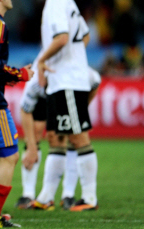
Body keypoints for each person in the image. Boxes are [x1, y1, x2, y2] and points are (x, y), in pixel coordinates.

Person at [29, 0, 98, 212]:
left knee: (78, 137)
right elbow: (85, 35)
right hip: (62, 80)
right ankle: (46, 196)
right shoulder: (63, 1)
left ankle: (90, 198)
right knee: (55, 137)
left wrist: (43, 61)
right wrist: (72, 59)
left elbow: (62, 38)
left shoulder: (57, 1)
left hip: (67, 81)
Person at [15, 53, 101, 209]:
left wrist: (81, 109)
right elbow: (25, 109)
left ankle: (68, 194)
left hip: (70, 90)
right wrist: (32, 147)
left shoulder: (82, 74)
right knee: (40, 134)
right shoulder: (36, 83)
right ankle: (34, 195)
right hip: (49, 93)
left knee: (73, 137)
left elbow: (96, 82)